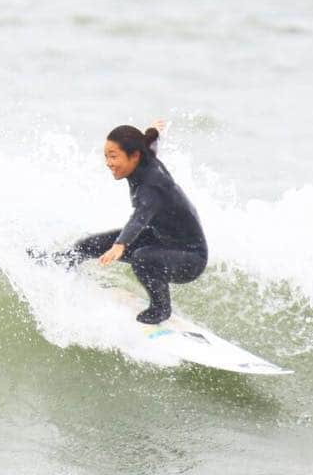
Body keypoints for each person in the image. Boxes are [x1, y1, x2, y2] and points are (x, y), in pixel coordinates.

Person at [59, 121, 208, 324]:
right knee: (89, 245)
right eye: (106, 156)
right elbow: (150, 143)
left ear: (134, 156)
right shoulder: (144, 155)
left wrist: (120, 245)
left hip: (190, 258)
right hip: (160, 239)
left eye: (113, 156)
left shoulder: (151, 185)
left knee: (143, 258)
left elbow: (140, 216)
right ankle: (60, 264)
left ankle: (161, 308)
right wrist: (153, 131)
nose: (108, 163)